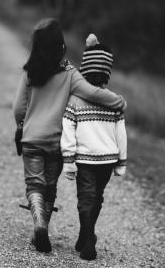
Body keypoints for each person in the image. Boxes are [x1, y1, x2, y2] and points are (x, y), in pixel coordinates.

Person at [12, 19, 126, 253]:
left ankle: (40, 225)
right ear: (60, 46)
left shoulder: (29, 73)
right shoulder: (70, 73)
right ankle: (43, 226)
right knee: (50, 187)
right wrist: (119, 102)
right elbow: (93, 92)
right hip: (56, 142)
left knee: (34, 183)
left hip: (32, 139)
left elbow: (18, 108)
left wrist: (22, 124)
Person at [60, 34, 127, 261]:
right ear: (107, 72)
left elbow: (68, 132)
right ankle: (86, 235)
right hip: (107, 160)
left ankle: (87, 239)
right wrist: (121, 162)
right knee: (97, 197)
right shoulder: (113, 102)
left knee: (85, 199)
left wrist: (68, 161)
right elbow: (121, 135)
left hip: (85, 160)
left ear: (84, 70)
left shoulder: (75, 101)